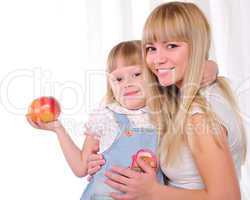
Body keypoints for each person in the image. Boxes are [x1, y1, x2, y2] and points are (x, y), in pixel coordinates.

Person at [26, 40, 217, 199]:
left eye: (136, 74)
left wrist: (212, 66)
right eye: (118, 79)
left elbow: (198, 74)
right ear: (110, 83)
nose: (127, 83)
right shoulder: (105, 117)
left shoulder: (165, 109)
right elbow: (80, 168)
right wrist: (59, 129)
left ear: (153, 76)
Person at [100, 2, 247, 200]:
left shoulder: (198, 116)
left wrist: (153, 192)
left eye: (172, 46)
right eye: (151, 48)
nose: (157, 59)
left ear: (197, 46)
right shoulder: (209, 89)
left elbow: (226, 197)